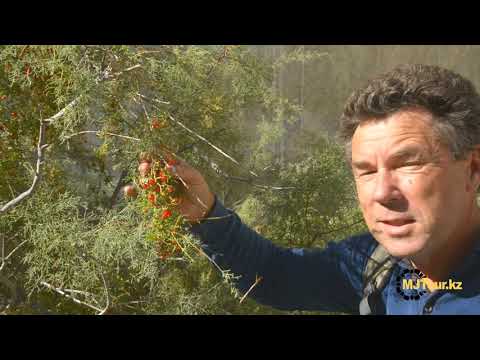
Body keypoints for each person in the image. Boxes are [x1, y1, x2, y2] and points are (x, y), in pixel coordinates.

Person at [139, 64, 480, 315]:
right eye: (365, 171)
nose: (381, 192)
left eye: (407, 163)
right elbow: (276, 275)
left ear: (473, 169)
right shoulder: (376, 264)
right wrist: (204, 212)